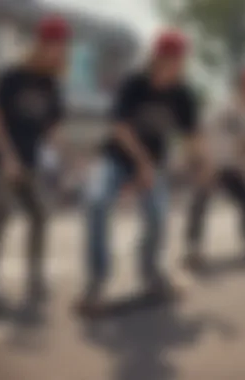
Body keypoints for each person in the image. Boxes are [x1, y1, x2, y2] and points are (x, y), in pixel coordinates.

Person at [77, 30, 207, 313]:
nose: (172, 66)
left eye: (177, 61)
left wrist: (200, 164)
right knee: (96, 201)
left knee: (158, 215)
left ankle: (152, 275)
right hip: (115, 159)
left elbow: (192, 136)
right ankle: (96, 282)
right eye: (167, 59)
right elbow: (119, 128)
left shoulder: (184, 94)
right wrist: (143, 164)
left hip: (152, 165)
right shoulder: (134, 83)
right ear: (155, 58)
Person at [0, 16, 70, 314]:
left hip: (30, 162)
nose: (57, 53)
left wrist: (61, 157)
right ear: (40, 45)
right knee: (1, 212)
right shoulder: (12, 77)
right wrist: (7, 157)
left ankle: (35, 276)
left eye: (61, 47)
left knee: (40, 214)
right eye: (52, 46)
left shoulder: (52, 84)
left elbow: (52, 127)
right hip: (2, 159)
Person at [184, 67, 245, 268]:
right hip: (209, 162)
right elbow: (199, 132)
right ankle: (193, 249)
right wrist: (204, 164)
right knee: (199, 203)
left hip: (231, 166)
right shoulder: (222, 106)